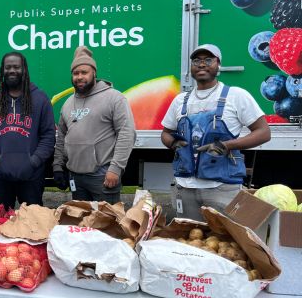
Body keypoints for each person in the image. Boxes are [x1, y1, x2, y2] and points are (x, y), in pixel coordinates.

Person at [161, 44, 271, 220]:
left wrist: (226, 145)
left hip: (222, 188)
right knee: (187, 240)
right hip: (184, 187)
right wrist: (173, 143)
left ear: (218, 65)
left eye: (208, 60)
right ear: (191, 67)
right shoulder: (180, 100)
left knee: (224, 243)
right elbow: (165, 133)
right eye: (196, 60)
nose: (202, 64)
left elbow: (263, 132)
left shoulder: (236, 96)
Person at [53, 46, 136, 204]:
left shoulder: (114, 98)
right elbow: (61, 137)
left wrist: (115, 169)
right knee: (82, 224)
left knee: (107, 225)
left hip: (102, 175)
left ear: (94, 73)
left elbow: (126, 133)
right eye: (75, 73)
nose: (79, 77)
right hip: (76, 176)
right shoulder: (68, 103)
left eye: (84, 72)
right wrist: (58, 165)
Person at [0, 52, 56, 209]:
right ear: (2, 71)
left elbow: (48, 137)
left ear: (24, 69)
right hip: (1, 176)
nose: (12, 70)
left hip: (31, 176)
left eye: (16, 67)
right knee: (1, 222)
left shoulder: (40, 99)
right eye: (8, 67)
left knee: (32, 225)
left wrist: (33, 161)